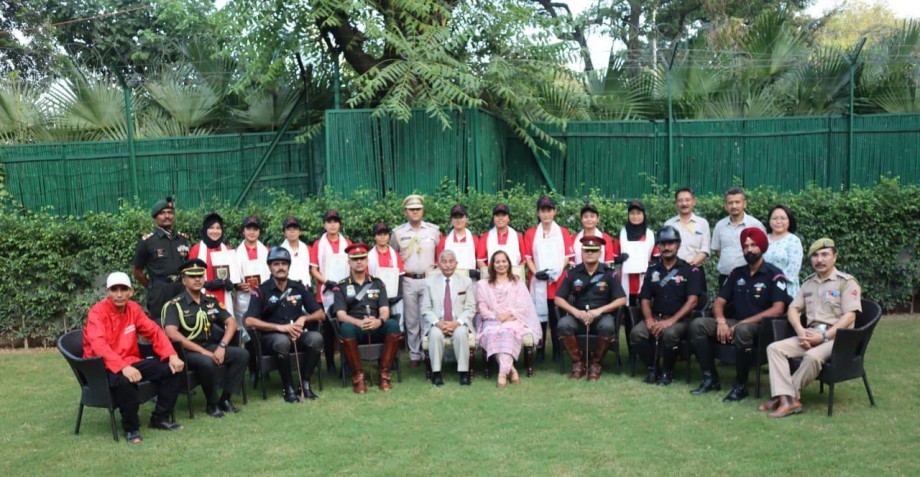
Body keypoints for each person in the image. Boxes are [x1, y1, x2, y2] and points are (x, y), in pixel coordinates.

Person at [762, 238, 861, 418]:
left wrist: (823, 337)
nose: (820, 259)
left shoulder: (846, 282)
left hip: (838, 338)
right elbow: (793, 308)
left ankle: (785, 398)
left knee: (812, 356)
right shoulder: (808, 283)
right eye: (815, 256)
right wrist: (800, 331)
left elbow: (850, 316)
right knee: (774, 348)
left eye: (825, 255)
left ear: (834, 257)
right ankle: (788, 399)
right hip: (810, 333)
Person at [83, 272, 184, 444]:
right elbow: (98, 345)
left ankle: (159, 418)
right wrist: (123, 367)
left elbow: (154, 331)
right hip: (100, 367)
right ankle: (131, 429)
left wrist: (172, 355)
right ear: (107, 292)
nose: (119, 294)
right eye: (114, 290)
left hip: (130, 361)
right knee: (124, 381)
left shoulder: (133, 309)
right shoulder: (97, 312)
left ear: (131, 291)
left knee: (171, 369)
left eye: (124, 289)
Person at [690, 227, 789, 402]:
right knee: (698, 324)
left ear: (762, 247)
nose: (749, 249)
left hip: (762, 328)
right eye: (746, 246)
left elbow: (778, 309)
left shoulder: (774, 274)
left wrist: (737, 325)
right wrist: (721, 321)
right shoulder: (737, 273)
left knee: (742, 330)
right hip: (735, 321)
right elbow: (719, 301)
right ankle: (710, 377)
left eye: (754, 245)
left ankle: (740, 385)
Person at [162, 259, 249, 417]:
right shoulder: (175, 305)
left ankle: (225, 399)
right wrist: (204, 352)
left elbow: (231, 323)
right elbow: (171, 333)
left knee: (241, 354)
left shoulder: (210, 302)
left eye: (200, 276)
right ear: (184, 280)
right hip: (186, 351)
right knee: (206, 361)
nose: (197, 279)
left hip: (210, 346)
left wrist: (222, 346)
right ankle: (211, 404)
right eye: (192, 276)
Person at [244, 247, 325, 402]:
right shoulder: (261, 291)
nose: (280, 267)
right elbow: (249, 320)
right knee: (282, 342)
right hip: (271, 337)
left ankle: (305, 384)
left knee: (316, 338)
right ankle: (287, 387)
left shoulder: (298, 287)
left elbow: (320, 313)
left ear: (288, 266)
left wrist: (303, 319)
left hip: (296, 333)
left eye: (283, 264)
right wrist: (279, 328)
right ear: (270, 267)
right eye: (276, 264)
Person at [630, 226, 704, 385]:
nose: (667, 247)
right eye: (663, 244)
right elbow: (644, 299)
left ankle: (667, 372)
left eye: (671, 243)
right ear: (658, 246)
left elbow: (693, 301)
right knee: (637, 334)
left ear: (678, 245)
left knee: (670, 334)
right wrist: (649, 319)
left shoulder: (689, 270)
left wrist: (671, 321)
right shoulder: (652, 270)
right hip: (657, 316)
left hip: (680, 320)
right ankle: (653, 368)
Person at [554, 236, 627, 381]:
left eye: (594, 251)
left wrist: (598, 311)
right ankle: (578, 363)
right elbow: (558, 299)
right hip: (579, 317)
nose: (590, 254)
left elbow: (622, 299)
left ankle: (595, 364)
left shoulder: (609, 273)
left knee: (607, 325)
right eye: (587, 251)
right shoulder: (573, 273)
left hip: (601, 316)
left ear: (600, 253)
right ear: (582, 252)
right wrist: (575, 312)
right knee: (563, 324)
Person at [333, 243, 402, 393]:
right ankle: (358, 377)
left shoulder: (377, 283)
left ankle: (384, 375)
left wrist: (379, 321)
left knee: (393, 325)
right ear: (349, 262)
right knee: (345, 327)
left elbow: (385, 310)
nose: (359, 262)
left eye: (362, 258)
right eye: (355, 259)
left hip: (375, 327)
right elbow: (341, 314)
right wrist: (358, 322)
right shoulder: (341, 286)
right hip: (356, 329)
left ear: (367, 260)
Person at [476, 250, 543, 388]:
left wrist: (507, 315)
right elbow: (482, 308)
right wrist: (496, 316)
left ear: (509, 263)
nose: (501, 264)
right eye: (497, 262)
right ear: (492, 265)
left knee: (507, 331)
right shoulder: (483, 284)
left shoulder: (517, 282)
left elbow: (523, 306)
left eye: (504, 261)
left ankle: (502, 373)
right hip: (491, 321)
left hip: (513, 320)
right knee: (492, 333)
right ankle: (511, 370)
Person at [391, 194, 441, 367]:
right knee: (412, 319)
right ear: (405, 212)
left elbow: (439, 256)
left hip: (429, 279)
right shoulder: (398, 233)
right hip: (409, 280)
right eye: (411, 210)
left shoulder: (434, 230)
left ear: (423, 210)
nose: (415, 212)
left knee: (427, 316)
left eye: (418, 209)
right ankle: (414, 354)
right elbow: (393, 256)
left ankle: (428, 350)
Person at [523, 195, 574, 363]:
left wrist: (557, 271)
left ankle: (559, 351)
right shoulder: (531, 233)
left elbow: (568, 256)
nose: (546, 214)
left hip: (557, 281)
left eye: (549, 210)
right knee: (539, 318)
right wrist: (536, 272)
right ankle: (540, 350)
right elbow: (528, 257)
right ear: (538, 213)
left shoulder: (563, 232)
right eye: (542, 211)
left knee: (556, 317)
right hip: (538, 282)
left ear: (555, 212)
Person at [421, 250, 476, 386]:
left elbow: (470, 308)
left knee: (461, 333)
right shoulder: (429, 282)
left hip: (458, 322)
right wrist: (438, 323)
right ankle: (436, 373)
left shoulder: (466, 281)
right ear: (439, 265)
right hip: (438, 322)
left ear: (456, 264)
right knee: (434, 334)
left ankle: (464, 373)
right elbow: (425, 309)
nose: (448, 265)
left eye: (451, 261)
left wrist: (456, 323)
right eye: (444, 262)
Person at [132, 196, 189, 318]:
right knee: (160, 325)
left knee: (185, 322)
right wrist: (151, 286)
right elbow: (137, 271)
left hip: (181, 288)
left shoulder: (182, 239)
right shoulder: (147, 241)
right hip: (160, 291)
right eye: (162, 213)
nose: (167, 216)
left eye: (170, 213)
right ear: (155, 217)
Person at [310, 209, 352, 373]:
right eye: (329, 221)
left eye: (335, 221)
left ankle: (347, 362)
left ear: (339, 224)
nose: (332, 224)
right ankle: (331, 364)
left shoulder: (347, 242)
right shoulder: (318, 244)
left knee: (346, 327)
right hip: (325, 293)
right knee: (328, 331)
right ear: (324, 224)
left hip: (345, 291)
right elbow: (314, 270)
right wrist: (327, 281)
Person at [711, 187, 765, 287]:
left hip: (749, 277)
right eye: (730, 203)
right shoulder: (720, 226)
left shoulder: (755, 225)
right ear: (726, 206)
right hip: (725, 277)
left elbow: (762, 250)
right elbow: (718, 251)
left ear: (744, 203)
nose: (734, 206)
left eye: (737, 202)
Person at [611, 200, 659, 306]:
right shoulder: (621, 234)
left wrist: (650, 265)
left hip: (645, 276)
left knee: (645, 305)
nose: (635, 216)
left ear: (644, 215)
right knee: (629, 306)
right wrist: (620, 259)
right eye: (632, 213)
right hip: (627, 278)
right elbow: (613, 258)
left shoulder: (651, 235)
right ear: (628, 215)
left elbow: (657, 257)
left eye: (638, 213)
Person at [188, 212, 236, 316]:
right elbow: (189, 277)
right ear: (205, 229)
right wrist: (205, 284)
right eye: (211, 227)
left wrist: (230, 284)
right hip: (203, 296)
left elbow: (234, 276)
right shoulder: (196, 250)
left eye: (218, 228)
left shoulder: (227, 250)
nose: (215, 231)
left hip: (224, 298)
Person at [233, 216, 270, 325]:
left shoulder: (267, 251)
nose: (252, 232)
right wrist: (238, 285)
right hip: (243, 298)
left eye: (255, 229)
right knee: (244, 329)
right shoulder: (235, 253)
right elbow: (233, 278)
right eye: (248, 229)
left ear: (259, 232)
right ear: (243, 231)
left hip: (263, 295)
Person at [763, 205, 803, 299]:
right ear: (769, 221)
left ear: (789, 220)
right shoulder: (764, 239)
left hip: (785, 288)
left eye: (783, 218)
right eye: (774, 218)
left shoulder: (793, 240)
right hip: (764, 287)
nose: (778, 221)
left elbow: (793, 269)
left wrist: (773, 280)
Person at [664, 187, 710, 268]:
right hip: (673, 270)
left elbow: (705, 249)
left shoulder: (702, 223)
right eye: (680, 200)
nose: (684, 204)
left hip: (695, 269)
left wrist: (691, 265)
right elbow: (665, 248)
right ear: (676, 204)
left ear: (693, 202)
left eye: (687, 200)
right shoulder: (669, 224)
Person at [436, 204, 481, 277]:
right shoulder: (444, 241)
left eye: (461, 217)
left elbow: (479, 263)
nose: (458, 220)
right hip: (450, 280)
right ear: (451, 220)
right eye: (455, 217)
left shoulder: (475, 240)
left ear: (466, 219)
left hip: (470, 281)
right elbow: (439, 264)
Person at [477, 203, 525, 271]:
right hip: (492, 277)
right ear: (493, 218)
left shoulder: (517, 236)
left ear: (509, 218)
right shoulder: (486, 237)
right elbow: (480, 260)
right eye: (497, 215)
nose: (500, 218)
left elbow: (523, 260)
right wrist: (491, 275)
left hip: (514, 276)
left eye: (503, 215)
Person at [280, 216, 313, 288]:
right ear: (284, 233)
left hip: (305, 288)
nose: (292, 231)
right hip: (287, 289)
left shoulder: (308, 249)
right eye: (289, 229)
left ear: (300, 232)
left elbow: (313, 270)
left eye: (295, 229)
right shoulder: (279, 251)